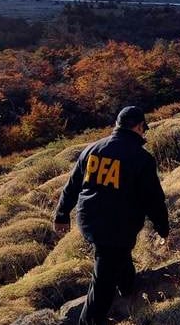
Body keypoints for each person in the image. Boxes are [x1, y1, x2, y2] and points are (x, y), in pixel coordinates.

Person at [53, 106, 169, 325]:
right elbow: (153, 199)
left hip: (89, 217)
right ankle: (90, 320)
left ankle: (127, 287)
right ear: (138, 126)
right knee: (103, 277)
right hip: (118, 223)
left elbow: (72, 185)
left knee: (117, 254)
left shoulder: (92, 149)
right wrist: (163, 228)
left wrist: (61, 214)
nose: (144, 132)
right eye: (143, 128)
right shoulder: (141, 158)